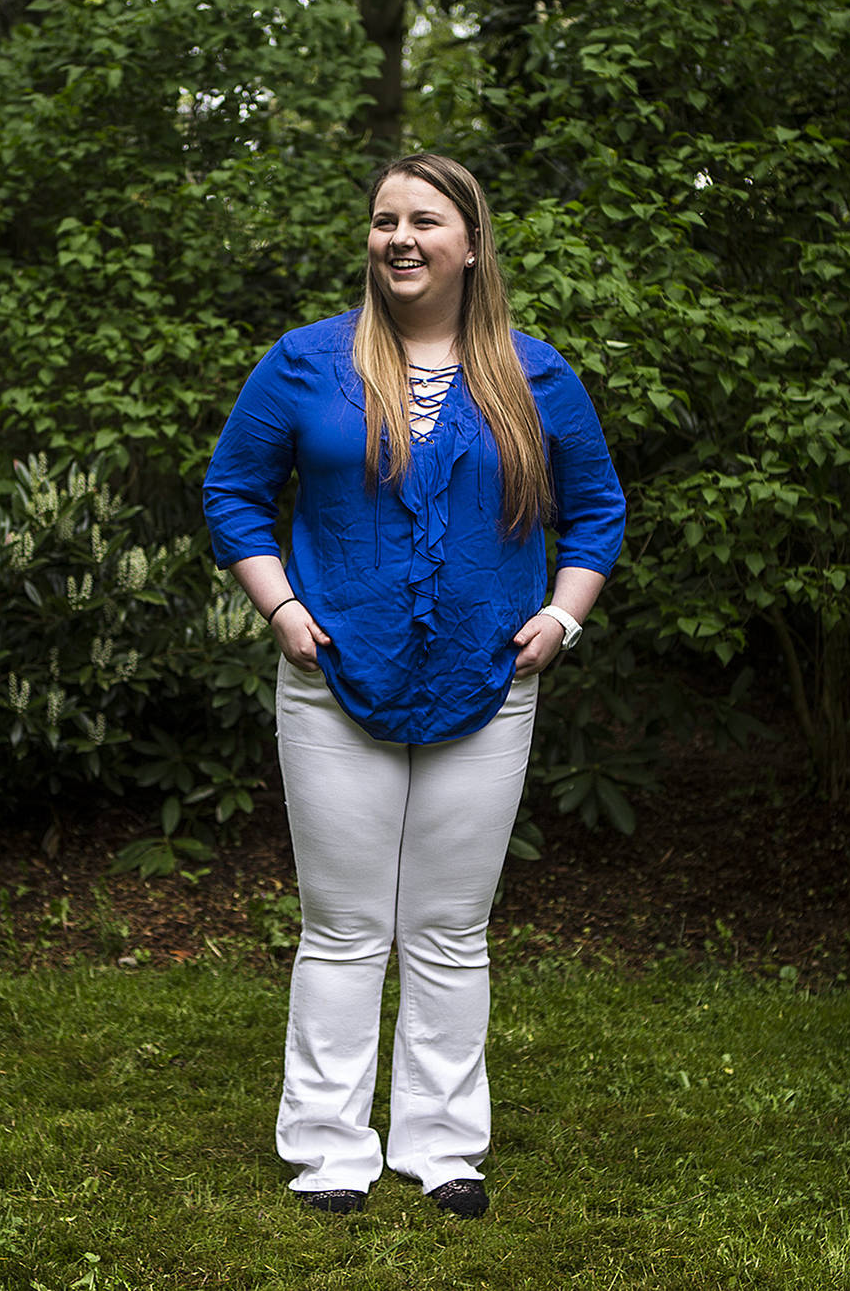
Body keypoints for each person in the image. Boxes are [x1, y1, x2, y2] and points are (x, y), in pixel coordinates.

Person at [202, 152, 625, 1220]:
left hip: (488, 682)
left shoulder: (534, 376)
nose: (398, 236)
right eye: (384, 219)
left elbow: (599, 510)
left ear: (469, 244)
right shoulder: (304, 364)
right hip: (331, 679)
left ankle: (440, 1147)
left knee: (446, 930)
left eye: (423, 220)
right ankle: (329, 1149)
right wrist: (283, 609)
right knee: (342, 928)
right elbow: (232, 494)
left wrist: (561, 620)